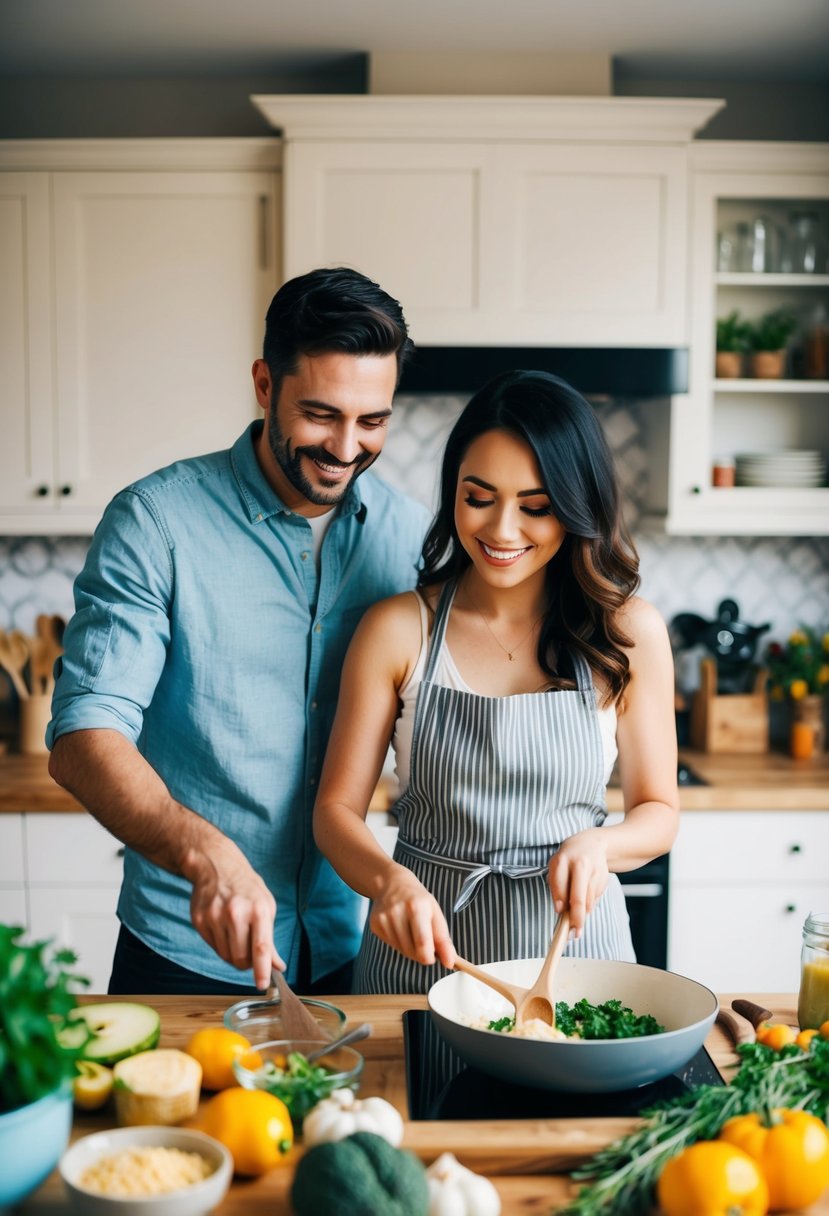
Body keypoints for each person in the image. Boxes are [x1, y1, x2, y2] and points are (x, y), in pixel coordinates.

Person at [47, 267, 430, 997]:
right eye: (320, 414)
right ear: (264, 385)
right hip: (185, 948)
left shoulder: (410, 539)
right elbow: (82, 739)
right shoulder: (156, 523)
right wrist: (201, 851)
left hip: (352, 943)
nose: (346, 448)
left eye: (372, 421)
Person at [313, 369, 680, 994]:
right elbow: (335, 812)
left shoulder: (629, 632)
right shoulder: (399, 629)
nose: (502, 531)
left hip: (577, 960)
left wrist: (600, 846)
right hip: (425, 959)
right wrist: (387, 882)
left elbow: (658, 812)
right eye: (478, 498)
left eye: (535, 507)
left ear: (577, 507)